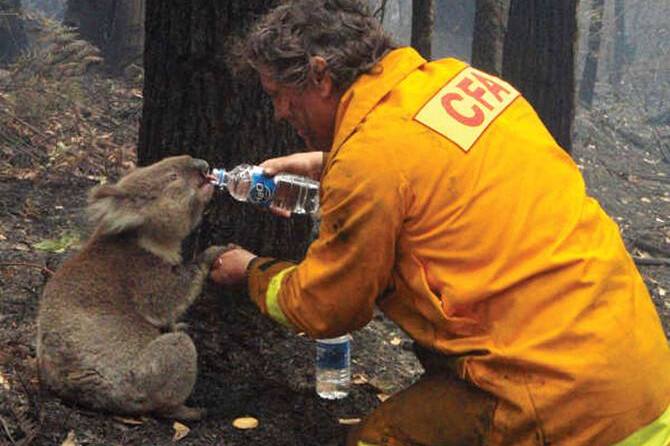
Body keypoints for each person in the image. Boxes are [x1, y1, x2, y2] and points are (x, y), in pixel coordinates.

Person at [210, 1, 670, 444]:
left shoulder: (370, 164)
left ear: (320, 76)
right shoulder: (460, 82)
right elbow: (428, 164)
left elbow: (326, 307)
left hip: (559, 404)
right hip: (641, 376)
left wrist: (251, 271)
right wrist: (328, 163)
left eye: (279, 96)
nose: (279, 113)